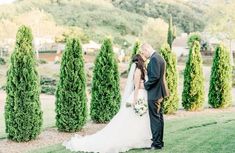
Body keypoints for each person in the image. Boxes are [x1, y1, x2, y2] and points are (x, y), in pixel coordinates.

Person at [140, 43, 169, 150]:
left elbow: (155, 77)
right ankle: (159, 142)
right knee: (159, 118)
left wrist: (145, 85)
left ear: (147, 49)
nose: (144, 55)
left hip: (155, 93)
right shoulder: (159, 57)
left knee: (155, 119)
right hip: (160, 92)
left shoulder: (154, 59)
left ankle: (156, 144)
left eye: (143, 52)